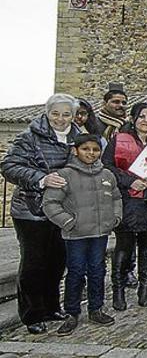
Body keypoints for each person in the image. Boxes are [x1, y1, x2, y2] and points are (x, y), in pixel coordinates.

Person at [1, 94, 82, 335]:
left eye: (66, 114)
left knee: (58, 260)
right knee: (34, 262)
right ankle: (32, 314)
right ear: (48, 113)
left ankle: (51, 306)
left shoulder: (78, 137)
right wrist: (41, 178)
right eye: (55, 113)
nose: (60, 118)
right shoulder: (29, 137)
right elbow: (9, 166)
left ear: (73, 115)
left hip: (63, 209)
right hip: (31, 209)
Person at [43, 134, 121, 335]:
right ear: (76, 150)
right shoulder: (65, 175)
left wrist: (115, 218)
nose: (91, 153)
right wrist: (68, 222)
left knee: (97, 270)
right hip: (75, 234)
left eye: (95, 149)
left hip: (99, 233)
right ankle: (72, 312)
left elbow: (116, 198)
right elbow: (50, 203)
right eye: (86, 149)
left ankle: (96, 308)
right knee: (76, 272)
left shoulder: (107, 175)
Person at [102, 104, 147, 311]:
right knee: (124, 246)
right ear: (134, 119)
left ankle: (145, 290)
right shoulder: (118, 140)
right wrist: (128, 181)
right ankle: (118, 290)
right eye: (142, 116)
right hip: (128, 199)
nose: (146, 120)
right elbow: (107, 166)